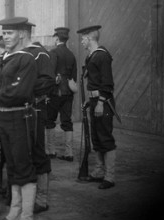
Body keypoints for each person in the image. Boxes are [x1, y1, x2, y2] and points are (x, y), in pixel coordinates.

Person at [0, 16, 38, 220]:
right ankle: (14, 215)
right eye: (4, 34)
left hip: (20, 118)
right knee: (13, 168)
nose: (6, 37)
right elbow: (6, 87)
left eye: (10, 33)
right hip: (5, 119)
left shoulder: (27, 59)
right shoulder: (8, 58)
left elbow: (21, 91)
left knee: (23, 167)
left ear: (22, 34)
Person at [77, 25, 117, 190]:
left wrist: (100, 102)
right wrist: (90, 101)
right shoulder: (92, 56)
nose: (81, 41)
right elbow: (93, 82)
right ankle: (100, 171)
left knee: (105, 138)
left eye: (82, 38)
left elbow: (107, 83)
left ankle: (110, 177)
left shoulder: (102, 56)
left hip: (103, 102)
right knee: (97, 137)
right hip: (95, 101)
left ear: (89, 38)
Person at [22, 21, 55, 214]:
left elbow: (48, 81)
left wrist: (26, 90)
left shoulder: (39, 53)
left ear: (26, 33)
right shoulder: (19, 53)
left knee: (37, 152)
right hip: (19, 111)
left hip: (36, 110)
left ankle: (42, 198)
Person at [46, 27, 77, 161]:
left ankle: (51, 151)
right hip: (68, 92)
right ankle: (69, 153)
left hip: (55, 91)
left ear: (57, 38)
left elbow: (50, 74)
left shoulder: (53, 52)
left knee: (49, 120)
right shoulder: (71, 54)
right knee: (67, 121)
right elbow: (74, 76)